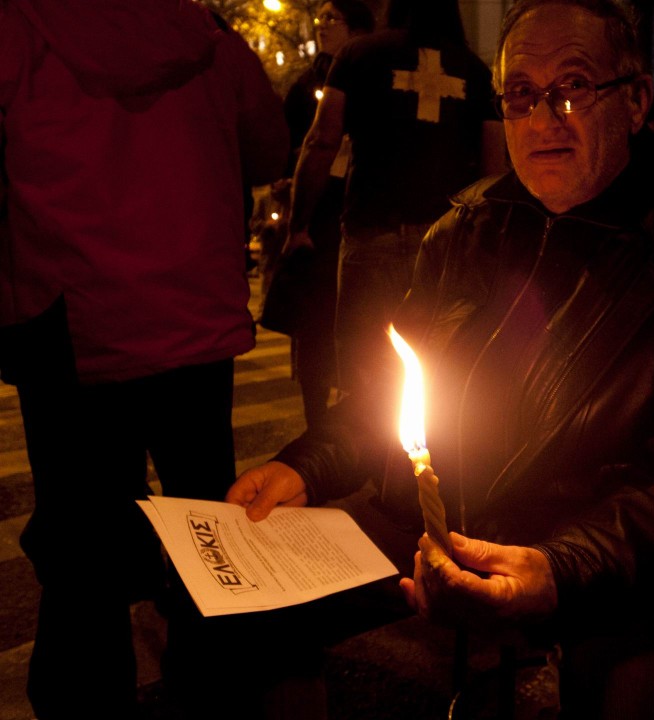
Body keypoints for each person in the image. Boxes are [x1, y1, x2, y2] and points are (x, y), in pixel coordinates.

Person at [225, 0, 654, 716]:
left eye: (573, 86)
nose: (544, 118)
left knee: (636, 696)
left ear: (636, 100)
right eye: (521, 94)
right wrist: (306, 464)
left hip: (598, 548)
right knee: (252, 613)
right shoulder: (466, 229)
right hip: (436, 515)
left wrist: (559, 569)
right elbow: (396, 395)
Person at [0, 1, 289, 717]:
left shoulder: (20, 27)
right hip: (193, 318)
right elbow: (268, 151)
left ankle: (85, 699)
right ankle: (218, 693)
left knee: (82, 552)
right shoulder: (207, 36)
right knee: (211, 527)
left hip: (74, 322)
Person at [284, 0, 507, 408]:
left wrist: (298, 226)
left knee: (366, 376)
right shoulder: (475, 70)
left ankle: (374, 467)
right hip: (446, 242)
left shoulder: (358, 55)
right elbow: (494, 169)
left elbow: (321, 141)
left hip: (373, 234)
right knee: (442, 371)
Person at [267, 0, 375, 429]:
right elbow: (291, 141)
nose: (322, 24)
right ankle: (318, 423)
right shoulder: (306, 83)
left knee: (360, 331)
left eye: (333, 17)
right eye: (321, 17)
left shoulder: (369, 73)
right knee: (313, 330)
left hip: (355, 215)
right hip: (316, 220)